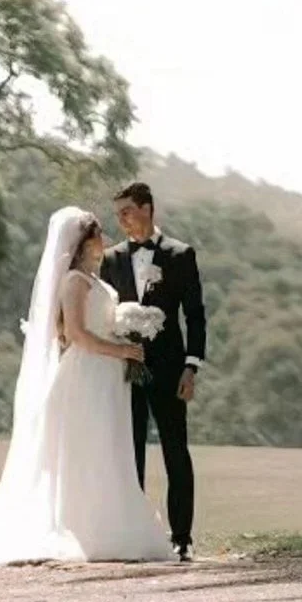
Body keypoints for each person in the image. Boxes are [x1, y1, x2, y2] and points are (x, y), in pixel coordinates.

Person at [0, 206, 172, 569]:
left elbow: (101, 325)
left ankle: (109, 521)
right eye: (98, 234)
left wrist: (128, 331)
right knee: (86, 448)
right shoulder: (74, 282)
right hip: (86, 373)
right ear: (83, 242)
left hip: (109, 377)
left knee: (108, 445)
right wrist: (120, 349)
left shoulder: (99, 283)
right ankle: (84, 528)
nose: (104, 240)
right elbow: (75, 335)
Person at [100, 180, 207, 560]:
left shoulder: (181, 254)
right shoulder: (111, 259)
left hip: (170, 369)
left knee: (176, 452)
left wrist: (191, 367)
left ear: (148, 208)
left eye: (127, 211)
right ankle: (135, 535)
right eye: (118, 214)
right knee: (130, 454)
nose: (122, 220)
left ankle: (182, 538)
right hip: (123, 371)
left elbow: (194, 315)